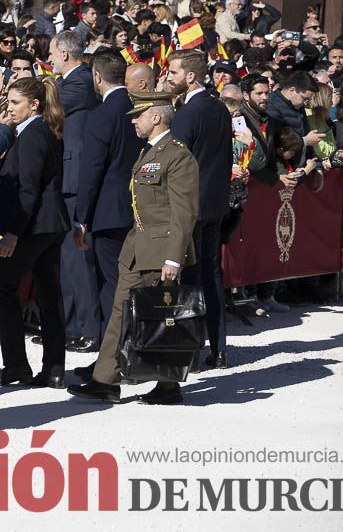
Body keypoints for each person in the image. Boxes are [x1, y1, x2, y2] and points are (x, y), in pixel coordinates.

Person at [68, 91, 199, 405]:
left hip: (160, 251)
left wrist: (173, 257)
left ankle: (168, 385)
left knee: (161, 315)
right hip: (136, 248)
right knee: (120, 312)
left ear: (156, 117)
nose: (134, 121)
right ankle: (106, 380)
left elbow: (184, 212)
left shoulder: (177, 155)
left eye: (138, 115)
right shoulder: (150, 152)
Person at [0, 76, 70, 389]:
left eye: (15, 103)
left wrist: (13, 233)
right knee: (49, 294)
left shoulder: (34, 134)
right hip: (47, 226)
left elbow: (29, 188)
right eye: (9, 102)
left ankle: (17, 366)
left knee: (3, 287)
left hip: (34, 227)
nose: (10, 109)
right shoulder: (39, 131)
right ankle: (53, 368)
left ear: (34, 104)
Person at [71, 49, 141, 360]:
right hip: (139, 208)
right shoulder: (139, 108)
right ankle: (126, 349)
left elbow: (91, 169)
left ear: (97, 77)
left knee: (111, 285)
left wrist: (82, 217)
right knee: (130, 281)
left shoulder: (101, 115)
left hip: (109, 212)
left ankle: (113, 356)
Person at [166, 50, 232, 369]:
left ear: (191, 76)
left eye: (174, 72)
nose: (168, 77)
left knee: (190, 279)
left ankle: (191, 350)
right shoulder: (220, 108)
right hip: (214, 205)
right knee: (211, 276)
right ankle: (218, 349)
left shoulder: (188, 113)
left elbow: (175, 164)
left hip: (191, 208)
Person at [48, 32, 100, 358]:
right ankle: (69, 328)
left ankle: (90, 329)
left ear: (66, 54)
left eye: (52, 53)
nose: (49, 58)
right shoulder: (69, 79)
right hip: (64, 177)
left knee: (80, 259)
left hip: (76, 177)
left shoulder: (80, 81)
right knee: (67, 259)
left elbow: (50, 108)